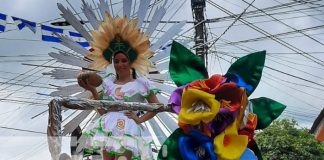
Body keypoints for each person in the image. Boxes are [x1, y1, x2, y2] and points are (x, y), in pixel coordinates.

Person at [78, 50, 160, 160]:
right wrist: (93, 90)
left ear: (131, 63)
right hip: (108, 126)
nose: (120, 64)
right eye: (116, 61)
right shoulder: (108, 84)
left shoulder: (141, 83)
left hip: (128, 127)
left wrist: (140, 120)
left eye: (124, 60)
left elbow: (157, 106)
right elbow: (102, 112)